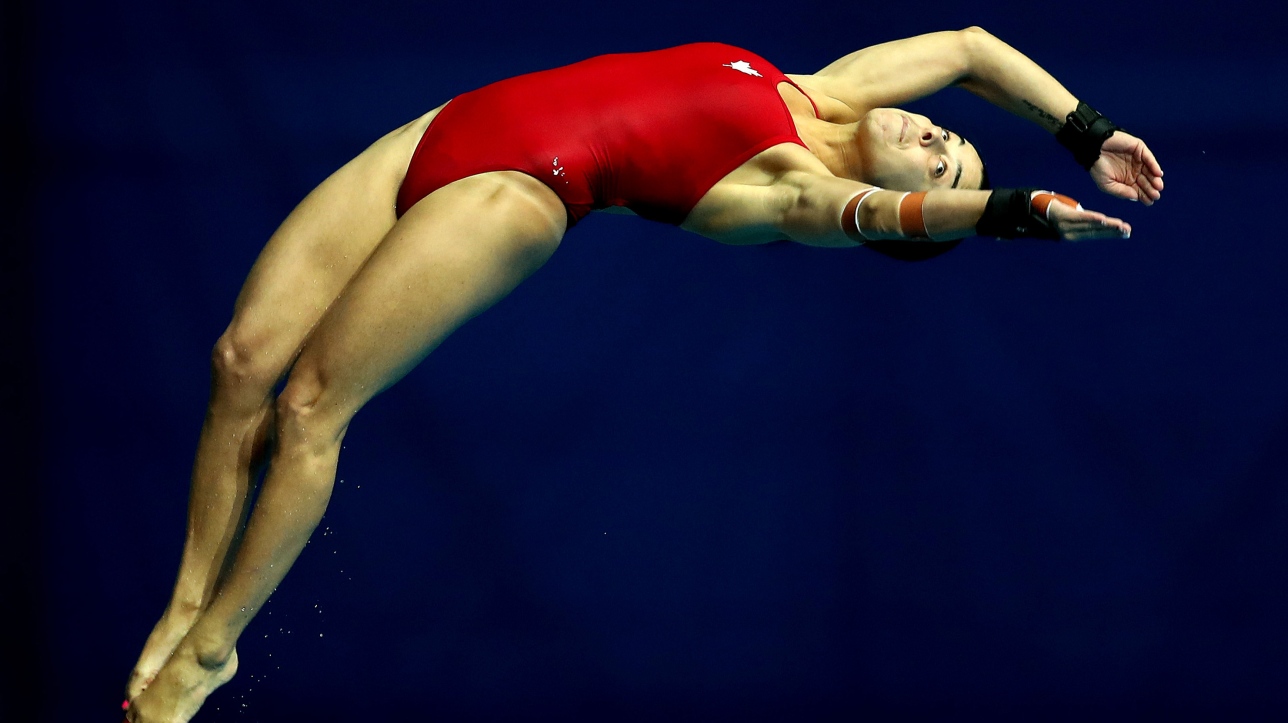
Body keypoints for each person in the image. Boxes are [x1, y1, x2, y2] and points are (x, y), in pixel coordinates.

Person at [122, 27, 1163, 722]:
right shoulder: (818, 90)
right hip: (449, 127)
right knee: (241, 362)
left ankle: (213, 648)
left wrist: (1003, 208)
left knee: (309, 405)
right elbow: (968, 46)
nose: (938, 138)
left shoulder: (787, 191)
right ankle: (179, 608)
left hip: (516, 188)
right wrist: (1086, 132)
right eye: (953, 142)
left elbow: (886, 215)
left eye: (940, 165)